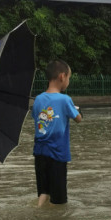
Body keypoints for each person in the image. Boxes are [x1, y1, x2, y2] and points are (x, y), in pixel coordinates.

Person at [31, 59, 82, 207]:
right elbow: (78, 119)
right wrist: (78, 110)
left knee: (44, 192)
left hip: (40, 153)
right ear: (62, 76)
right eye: (69, 78)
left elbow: (37, 118)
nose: (68, 81)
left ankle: (38, 211)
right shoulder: (65, 100)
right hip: (57, 155)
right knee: (59, 200)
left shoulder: (38, 99)